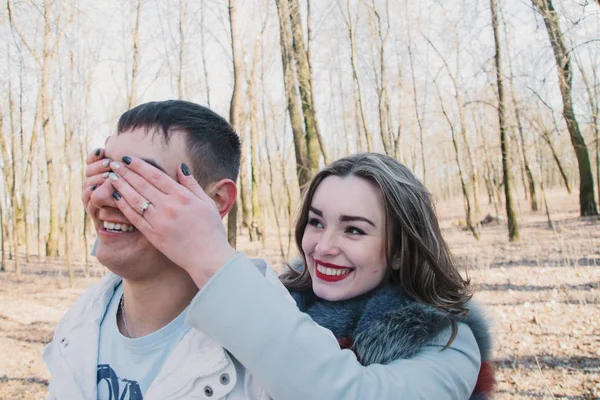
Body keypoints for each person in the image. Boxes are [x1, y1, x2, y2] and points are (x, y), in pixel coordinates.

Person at [94, 150, 495, 399]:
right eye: (316, 223)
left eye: (354, 229)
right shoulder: (274, 301)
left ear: (398, 251)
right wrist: (117, 222)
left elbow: (348, 393)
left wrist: (211, 255)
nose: (323, 246)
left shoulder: (447, 345)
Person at [43, 100, 287, 399]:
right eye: (106, 172)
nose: (103, 195)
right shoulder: (78, 323)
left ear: (218, 200)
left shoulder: (275, 365)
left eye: (139, 177)